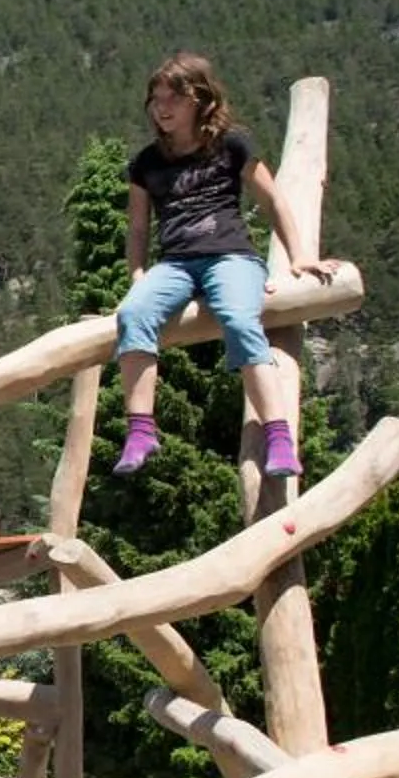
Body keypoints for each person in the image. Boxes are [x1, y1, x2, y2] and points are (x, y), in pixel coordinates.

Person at [111, 51, 338, 479]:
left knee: (239, 318)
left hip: (231, 257)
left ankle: (279, 437)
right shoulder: (146, 163)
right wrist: (138, 274)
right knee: (133, 314)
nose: (162, 108)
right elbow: (138, 228)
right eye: (156, 99)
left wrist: (300, 256)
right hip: (175, 264)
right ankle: (140, 431)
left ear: (199, 99)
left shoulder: (232, 145)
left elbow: (272, 200)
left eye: (173, 98)